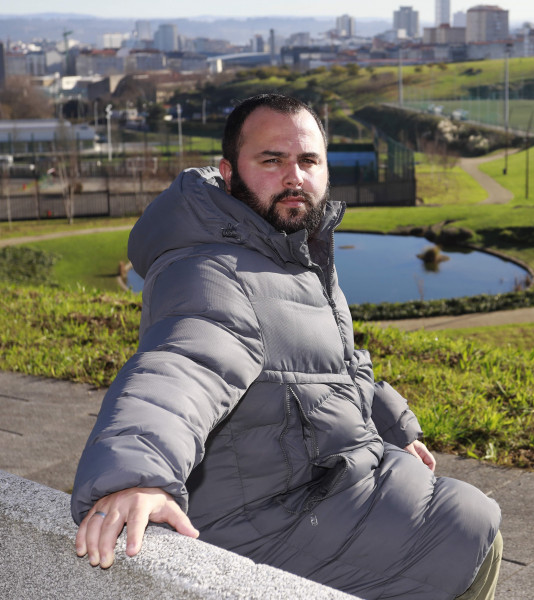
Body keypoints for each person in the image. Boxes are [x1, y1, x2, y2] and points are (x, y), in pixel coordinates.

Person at [71, 93, 502, 600]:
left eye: (308, 161)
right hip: (266, 516)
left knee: (461, 515)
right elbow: (184, 363)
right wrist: (139, 475)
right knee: (466, 529)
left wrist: (390, 421)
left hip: (317, 481)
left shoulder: (293, 250)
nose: (294, 177)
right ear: (229, 173)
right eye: (272, 161)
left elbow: (333, 361)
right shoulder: (213, 270)